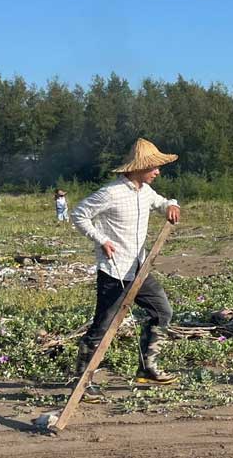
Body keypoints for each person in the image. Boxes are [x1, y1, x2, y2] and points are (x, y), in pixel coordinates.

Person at [71, 138, 182, 387]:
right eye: (153, 167)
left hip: (139, 268)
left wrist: (171, 205)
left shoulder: (145, 192)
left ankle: (147, 368)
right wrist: (101, 240)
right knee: (103, 327)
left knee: (162, 311)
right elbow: (79, 214)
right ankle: (81, 382)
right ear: (137, 168)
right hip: (115, 271)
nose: (157, 171)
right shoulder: (112, 193)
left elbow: (161, 202)